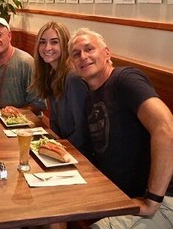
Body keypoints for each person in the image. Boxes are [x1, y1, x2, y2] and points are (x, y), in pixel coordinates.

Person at [68, 28, 173, 228]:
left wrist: (152, 200)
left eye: (89, 49)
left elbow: (166, 128)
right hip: (119, 197)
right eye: (76, 54)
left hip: (161, 200)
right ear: (73, 64)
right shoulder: (91, 98)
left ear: (107, 53)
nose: (83, 56)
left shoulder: (125, 79)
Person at [30, 22, 89, 155]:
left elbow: (82, 131)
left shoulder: (73, 78)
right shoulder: (52, 75)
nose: (47, 47)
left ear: (65, 45)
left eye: (54, 42)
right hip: (63, 147)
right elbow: (55, 122)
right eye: (43, 42)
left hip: (79, 154)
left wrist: (60, 152)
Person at [0, 16, 46, 114]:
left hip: (24, 123)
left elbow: (38, 103)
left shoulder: (26, 62)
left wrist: (15, 113)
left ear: (9, 36)